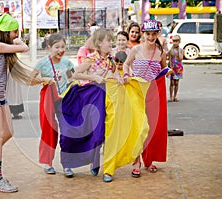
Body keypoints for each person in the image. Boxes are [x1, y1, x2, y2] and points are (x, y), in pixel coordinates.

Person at [0, 13, 44, 193]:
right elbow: (24, 48)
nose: (16, 36)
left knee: (9, 133)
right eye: (14, 32)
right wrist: (18, 40)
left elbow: (19, 63)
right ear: (5, 32)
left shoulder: (3, 48)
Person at [72, 28, 123, 181]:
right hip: (93, 98)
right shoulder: (91, 58)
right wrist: (93, 77)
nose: (111, 43)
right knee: (97, 132)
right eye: (109, 40)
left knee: (110, 133)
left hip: (109, 98)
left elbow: (113, 73)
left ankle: (108, 169)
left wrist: (118, 78)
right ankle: (94, 158)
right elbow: (75, 74)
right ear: (99, 43)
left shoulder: (111, 59)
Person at [123, 20, 169, 178]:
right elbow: (126, 65)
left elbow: (164, 69)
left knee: (153, 127)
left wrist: (165, 73)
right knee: (138, 128)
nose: (150, 37)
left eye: (154, 34)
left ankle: (150, 159)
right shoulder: (135, 50)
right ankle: (136, 161)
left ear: (158, 34)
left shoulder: (160, 52)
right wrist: (126, 75)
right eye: (148, 34)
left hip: (154, 94)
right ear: (143, 34)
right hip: (137, 92)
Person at [33, 33, 74, 177]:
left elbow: (72, 78)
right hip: (48, 98)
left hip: (64, 99)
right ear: (49, 47)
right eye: (57, 47)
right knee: (49, 129)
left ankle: (68, 164)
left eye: (63, 47)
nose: (60, 50)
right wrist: (44, 79)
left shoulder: (67, 63)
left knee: (68, 130)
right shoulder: (42, 63)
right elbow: (30, 80)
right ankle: (48, 163)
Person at [168, 34, 183, 102]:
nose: (175, 43)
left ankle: (175, 96)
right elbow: (170, 60)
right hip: (173, 67)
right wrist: (171, 68)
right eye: (174, 41)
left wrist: (179, 51)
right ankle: (171, 96)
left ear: (179, 42)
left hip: (179, 68)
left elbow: (180, 58)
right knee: (172, 83)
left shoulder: (181, 50)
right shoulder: (171, 50)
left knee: (176, 83)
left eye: (177, 41)